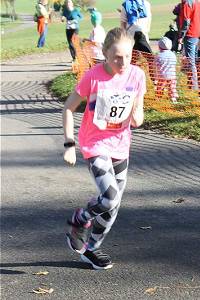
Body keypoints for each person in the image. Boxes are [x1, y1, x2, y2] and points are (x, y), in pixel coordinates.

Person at [62, 27, 146, 270]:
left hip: (121, 146)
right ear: (105, 53)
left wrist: (137, 116)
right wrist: (69, 144)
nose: (123, 62)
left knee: (114, 205)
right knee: (109, 198)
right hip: (95, 144)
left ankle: (91, 249)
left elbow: (137, 111)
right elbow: (68, 108)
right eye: (117, 57)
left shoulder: (137, 76)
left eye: (128, 56)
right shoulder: (93, 76)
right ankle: (80, 219)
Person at [178, 0, 200, 90]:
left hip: (190, 34)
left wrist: (181, 36)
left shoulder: (187, 3)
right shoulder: (198, 2)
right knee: (195, 60)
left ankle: (194, 86)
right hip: (198, 34)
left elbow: (186, 22)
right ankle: (196, 83)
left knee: (190, 60)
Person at [154, 36, 178, 104]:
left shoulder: (158, 55)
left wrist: (156, 75)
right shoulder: (173, 55)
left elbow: (155, 65)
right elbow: (175, 63)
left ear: (159, 46)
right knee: (172, 87)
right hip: (172, 75)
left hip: (162, 75)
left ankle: (158, 98)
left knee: (160, 87)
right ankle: (173, 98)